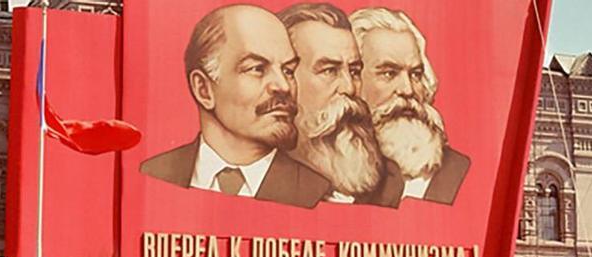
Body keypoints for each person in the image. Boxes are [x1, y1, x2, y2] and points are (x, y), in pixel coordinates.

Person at [139, 5, 332, 209]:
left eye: (288, 70)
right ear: (204, 89)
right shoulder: (154, 175)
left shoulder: (319, 195)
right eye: (257, 69)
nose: (283, 86)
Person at [277, 2, 402, 207]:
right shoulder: (257, 181)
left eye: (354, 71)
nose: (350, 88)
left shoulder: (390, 182)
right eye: (329, 70)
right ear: (285, 80)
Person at [350, 7, 471, 205]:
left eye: (415, 75)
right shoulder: (318, 181)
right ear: (352, 79)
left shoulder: (458, 174)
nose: (407, 90)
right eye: (389, 73)